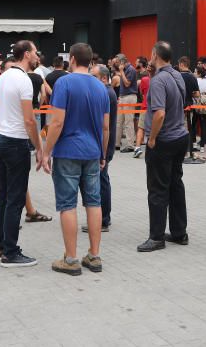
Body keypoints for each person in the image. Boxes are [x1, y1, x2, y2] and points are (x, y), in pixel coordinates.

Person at [42, 43, 110, 275]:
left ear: (71, 59)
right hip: (92, 151)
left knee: (67, 204)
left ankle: (70, 259)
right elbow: (105, 126)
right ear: (91, 61)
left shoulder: (64, 83)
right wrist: (102, 153)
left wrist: (45, 151)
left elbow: (57, 122)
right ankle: (94, 255)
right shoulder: (101, 87)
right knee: (94, 202)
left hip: (68, 151)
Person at [0, 40, 45, 268]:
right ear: (26, 54)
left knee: (3, 196)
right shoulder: (23, 80)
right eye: (35, 52)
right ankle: (11, 252)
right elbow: (29, 119)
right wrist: (40, 148)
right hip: (15, 142)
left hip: (0, 139)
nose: (37, 55)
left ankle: (1, 246)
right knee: (15, 198)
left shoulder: (3, 77)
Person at [137, 41, 189, 253]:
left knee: (158, 188)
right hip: (180, 136)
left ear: (154, 55)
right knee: (175, 184)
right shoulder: (176, 75)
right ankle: (179, 232)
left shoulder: (159, 81)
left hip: (164, 139)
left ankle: (156, 236)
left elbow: (159, 113)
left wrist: (151, 139)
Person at [82, 64, 117, 234]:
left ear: (104, 78)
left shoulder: (107, 93)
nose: (91, 80)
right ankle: (101, 218)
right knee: (100, 180)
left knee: (101, 181)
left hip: (104, 145)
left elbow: (105, 126)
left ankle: (103, 219)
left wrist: (103, 152)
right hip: (102, 144)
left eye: (94, 76)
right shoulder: (105, 92)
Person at [177, 57, 201, 163]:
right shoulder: (192, 77)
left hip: (176, 106)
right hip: (188, 106)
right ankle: (186, 151)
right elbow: (197, 94)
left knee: (176, 128)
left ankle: (178, 152)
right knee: (186, 129)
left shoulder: (176, 76)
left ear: (182, 64)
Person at [115, 54, 139, 152]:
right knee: (119, 121)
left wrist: (121, 72)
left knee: (129, 121)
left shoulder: (131, 70)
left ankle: (130, 145)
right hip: (122, 97)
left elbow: (127, 83)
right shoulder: (125, 70)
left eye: (117, 62)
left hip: (129, 96)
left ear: (122, 62)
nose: (116, 64)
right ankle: (116, 143)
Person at [193, 64, 206, 153]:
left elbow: (193, 93)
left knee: (194, 124)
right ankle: (202, 146)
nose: (193, 73)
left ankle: (193, 143)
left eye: (194, 71)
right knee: (204, 125)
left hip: (196, 105)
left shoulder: (195, 81)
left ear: (198, 73)